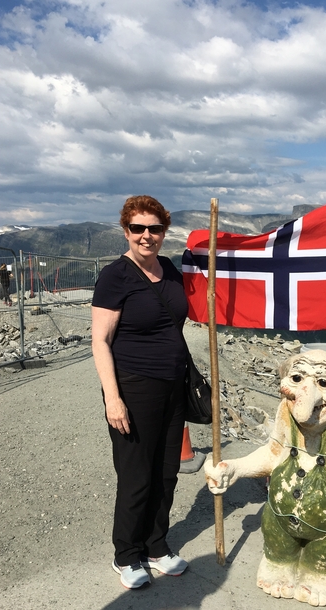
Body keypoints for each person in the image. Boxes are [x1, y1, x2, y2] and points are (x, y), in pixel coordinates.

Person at [91, 195, 189, 590]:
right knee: (136, 475)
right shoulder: (116, 277)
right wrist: (112, 398)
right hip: (133, 387)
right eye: (138, 228)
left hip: (173, 385)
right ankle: (126, 554)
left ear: (164, 231)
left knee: (167, 472)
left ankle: (156, 545)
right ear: (126, 231)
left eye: (155, 228)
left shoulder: (168, 268)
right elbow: (100, 341)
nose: (146, 236)